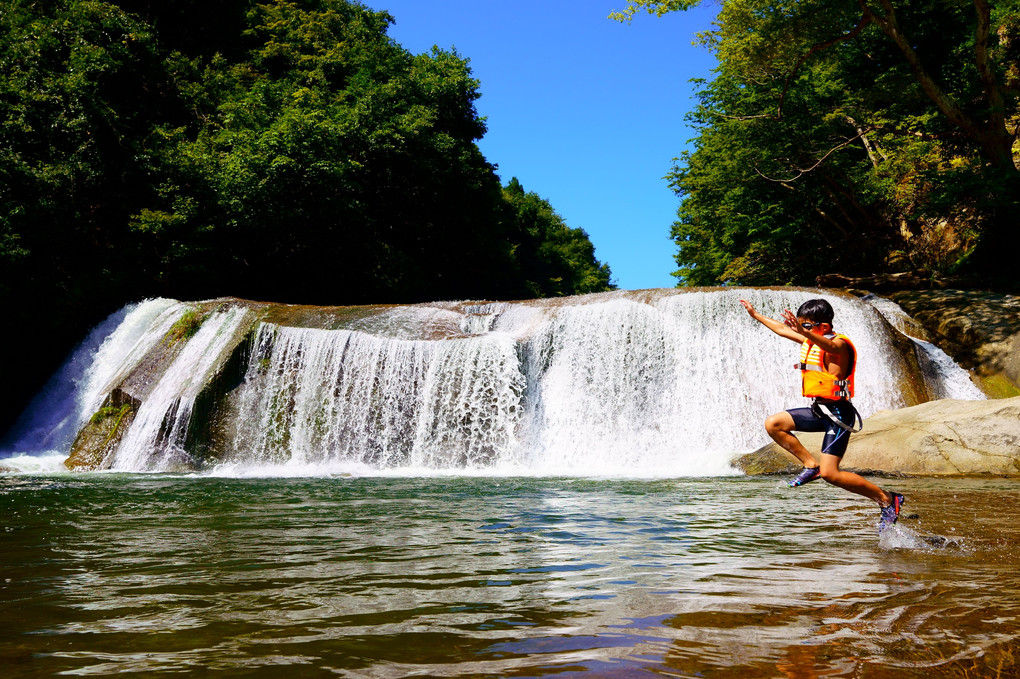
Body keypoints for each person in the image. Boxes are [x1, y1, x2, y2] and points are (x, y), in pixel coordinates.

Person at [739, 297, 904, 533]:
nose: (801, 330)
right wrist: (756, 316)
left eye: (807, 325)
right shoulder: (813, 341)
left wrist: (805, 333)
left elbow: (830, 348)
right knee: (774, 424)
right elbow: (783, 330)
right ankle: (810, 464)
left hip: (839, 414)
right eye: (802, 325)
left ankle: (888, 499)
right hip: (820, 410)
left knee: (831, 474)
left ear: (824, 326)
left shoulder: (839, 344)